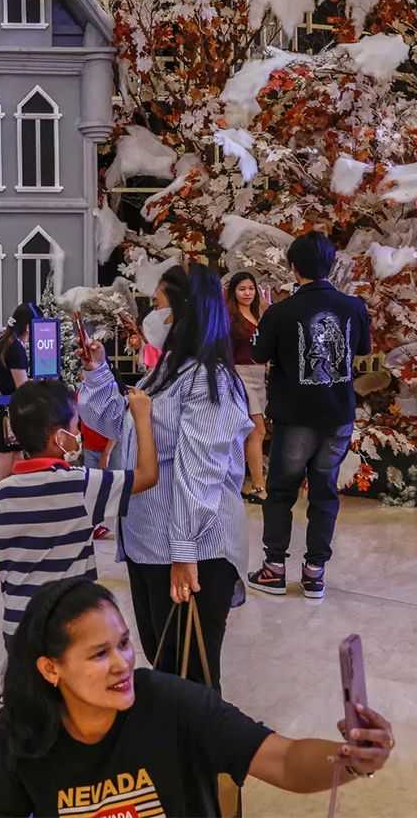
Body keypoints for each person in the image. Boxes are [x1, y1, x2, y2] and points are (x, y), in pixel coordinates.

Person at [0, 578, 397, 818]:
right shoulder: (17, 742)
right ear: (51, 669)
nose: (122, 663)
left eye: (123, 643)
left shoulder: (172, 704)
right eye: (99, 654)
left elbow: (281, 759)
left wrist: (351, 759)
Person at [77, 263, 252, 689]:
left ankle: (201, 753)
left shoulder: (210, 379)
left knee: (191, 671)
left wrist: (184, 550)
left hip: (192, 549)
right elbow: (120, 423)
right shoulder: (167, 371)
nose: (151, 316)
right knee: (165, 659)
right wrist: (98, 372)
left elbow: (201, 470)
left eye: (157, 305)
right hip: (148, 543)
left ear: (182, 311)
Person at [0, 379, 158, 642]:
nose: (79, 434)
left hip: (18, 626)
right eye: (76, 426)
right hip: (70, 629)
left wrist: (23, 581)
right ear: (59, 438)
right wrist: (142, 418)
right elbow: (147, 476)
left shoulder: (3, 491)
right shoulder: (80, 484)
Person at [246, 233, 370, 600]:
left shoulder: (281, 312)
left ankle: (274, 569)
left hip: (296, 415)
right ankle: (315, 573)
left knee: (281, 490)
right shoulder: (353, 307)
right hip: (337, 415)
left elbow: (257, 355)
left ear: (293, 267)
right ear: (330, 265)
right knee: (324, 492)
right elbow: (362, 348)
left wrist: (263, 319)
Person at [0, 305, 36, 502]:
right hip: (0, 417)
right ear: (28, 327)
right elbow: (22, 387)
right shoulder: (16, 349)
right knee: (2, 470)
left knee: (17, 464)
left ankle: (13, 508)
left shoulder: (5, 343)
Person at [227, 271, 270, 503]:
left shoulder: (256, 314)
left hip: (258, 374)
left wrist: (264, 313)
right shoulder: (231, 318)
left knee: (250, 432)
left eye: (251, 288)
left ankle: (245, 483)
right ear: (234, 291)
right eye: (242, 289)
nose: (247, 293)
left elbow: (265, 341)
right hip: (241, 374)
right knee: (257, 431)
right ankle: (258, 486)